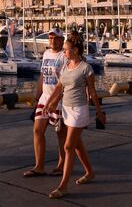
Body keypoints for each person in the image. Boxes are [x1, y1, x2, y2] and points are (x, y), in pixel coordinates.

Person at [43, 31, 106, 199]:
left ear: (76, 50)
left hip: (79, 110)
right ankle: (90, 172)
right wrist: (49, 103)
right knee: (77, 146)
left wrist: (99, 111)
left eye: (66, 49)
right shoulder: (66, 66)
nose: (64, 52)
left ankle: (63, 186)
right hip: (66, 109)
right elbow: (59, 87)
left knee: (68, 146)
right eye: (64, 49)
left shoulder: (86, 68)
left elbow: (92, 91)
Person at [23, 28, 67, 178]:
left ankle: (61, 165)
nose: (52, 41)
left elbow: (65, 82)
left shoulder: (65, 56)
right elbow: (43, 75)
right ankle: (39, 166)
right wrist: (37, 96)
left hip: (59, 101)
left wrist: (55, 101)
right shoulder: (46, 54)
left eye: (56, 38)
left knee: (61, 134)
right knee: (37, 130)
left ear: (62, 40)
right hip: (44, 99)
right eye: (50, 38)